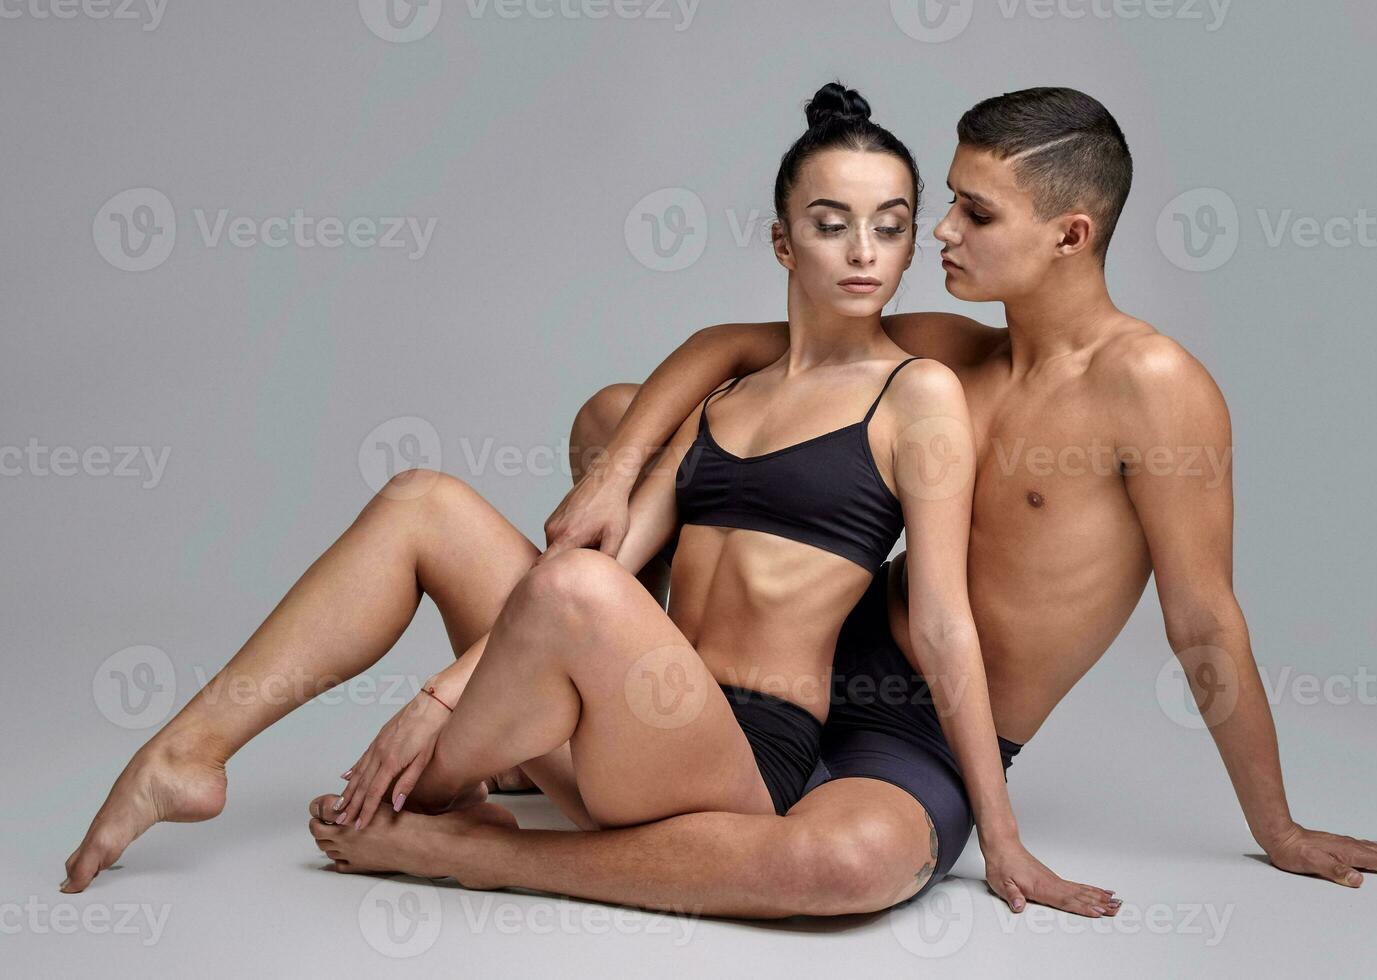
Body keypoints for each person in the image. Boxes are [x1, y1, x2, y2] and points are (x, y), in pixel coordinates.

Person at [302, 86, 1377, 916]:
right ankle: (563, 707)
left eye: (972, 214)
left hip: (930, 724)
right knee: (615, 412)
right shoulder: (955, 348)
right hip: (791, 671)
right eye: (941, 203)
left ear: (1070, 234)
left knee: (845, 869)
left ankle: (483, 851)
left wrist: (1273, 824)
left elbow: (1203, 620)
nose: (934, 233)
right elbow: (735, 343)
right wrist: (613, 465)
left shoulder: (1153, 386)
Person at [64, 83, 1107, 915]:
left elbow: (941, 621)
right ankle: (183, 755)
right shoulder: (728, 386)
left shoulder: (915, 394)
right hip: (627, 714)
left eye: (891, 225)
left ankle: (434, 804)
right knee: (424, 498)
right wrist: (464, 682)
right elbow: (600, 561)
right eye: (832, 225)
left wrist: (1001, 832)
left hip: (740, 754)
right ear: (784, 242)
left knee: (578, 592)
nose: (867, 253)